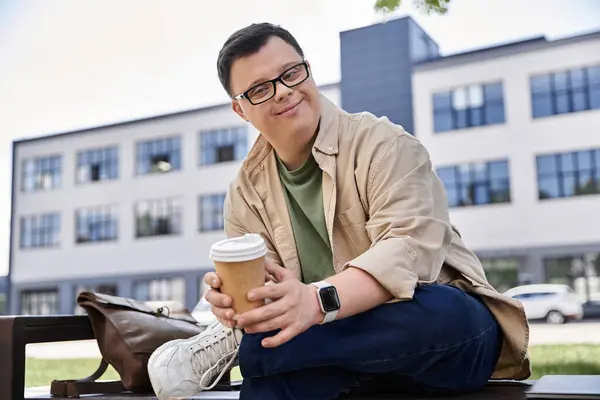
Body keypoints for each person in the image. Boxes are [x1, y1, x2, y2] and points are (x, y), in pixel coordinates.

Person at [147, 22, 531, 400]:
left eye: (291, 73)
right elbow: (270, 298)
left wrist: (315, 302)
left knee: (442, 312)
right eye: (261, 89)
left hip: (440, 338)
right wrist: (237, 306)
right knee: (270, 372)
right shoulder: (245, 194)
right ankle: (237, 342)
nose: (283, 92)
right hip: (341, 358)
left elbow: (408, 253)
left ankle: (237, 348)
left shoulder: (383, 144)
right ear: (240, 109)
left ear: (307, 70)